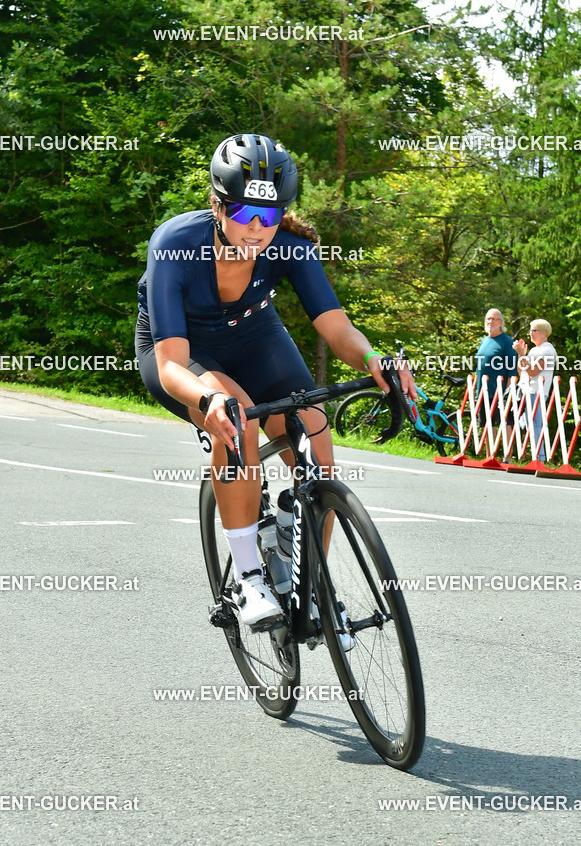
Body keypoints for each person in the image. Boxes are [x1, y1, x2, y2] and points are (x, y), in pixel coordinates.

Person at [135, 132, 415, 626]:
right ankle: (248, 580)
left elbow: (337, 328)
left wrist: (373, 357)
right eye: (245, 213)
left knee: (314, 440)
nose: (257, 229)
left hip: (255, 336)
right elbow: (171, 363)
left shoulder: (290, 247)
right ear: (217, 206)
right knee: (237, 420)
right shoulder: (175, 245)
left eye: (269, 216)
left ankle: (313, 582)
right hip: (183, 350)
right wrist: (208, 399)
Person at [513, 319, 557, 454]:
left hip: (537, 392)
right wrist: (521, 355)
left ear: (544, 333)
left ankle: (540, 457)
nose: (530, 333)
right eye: (530, 330)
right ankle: (537, 456)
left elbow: (533, 371)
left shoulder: (548, 350)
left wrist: (522, 355)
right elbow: (521, 372)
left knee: (535, 425)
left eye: (534, 330)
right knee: (529, 425)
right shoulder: (534, 350)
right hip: (527, 390)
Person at [474, 309, 518, 439]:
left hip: (500, 391)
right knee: (486, 424)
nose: (490, 322)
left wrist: (508, 391)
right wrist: (474, 387)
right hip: (483, 390)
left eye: (494, 319)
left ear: (500, 322)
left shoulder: (506, 341)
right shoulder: (484, 341)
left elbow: (512, 368)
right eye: (488, 319)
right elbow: (479, 367)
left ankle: (508, 452)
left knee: (505, 422)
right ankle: (490, 451)